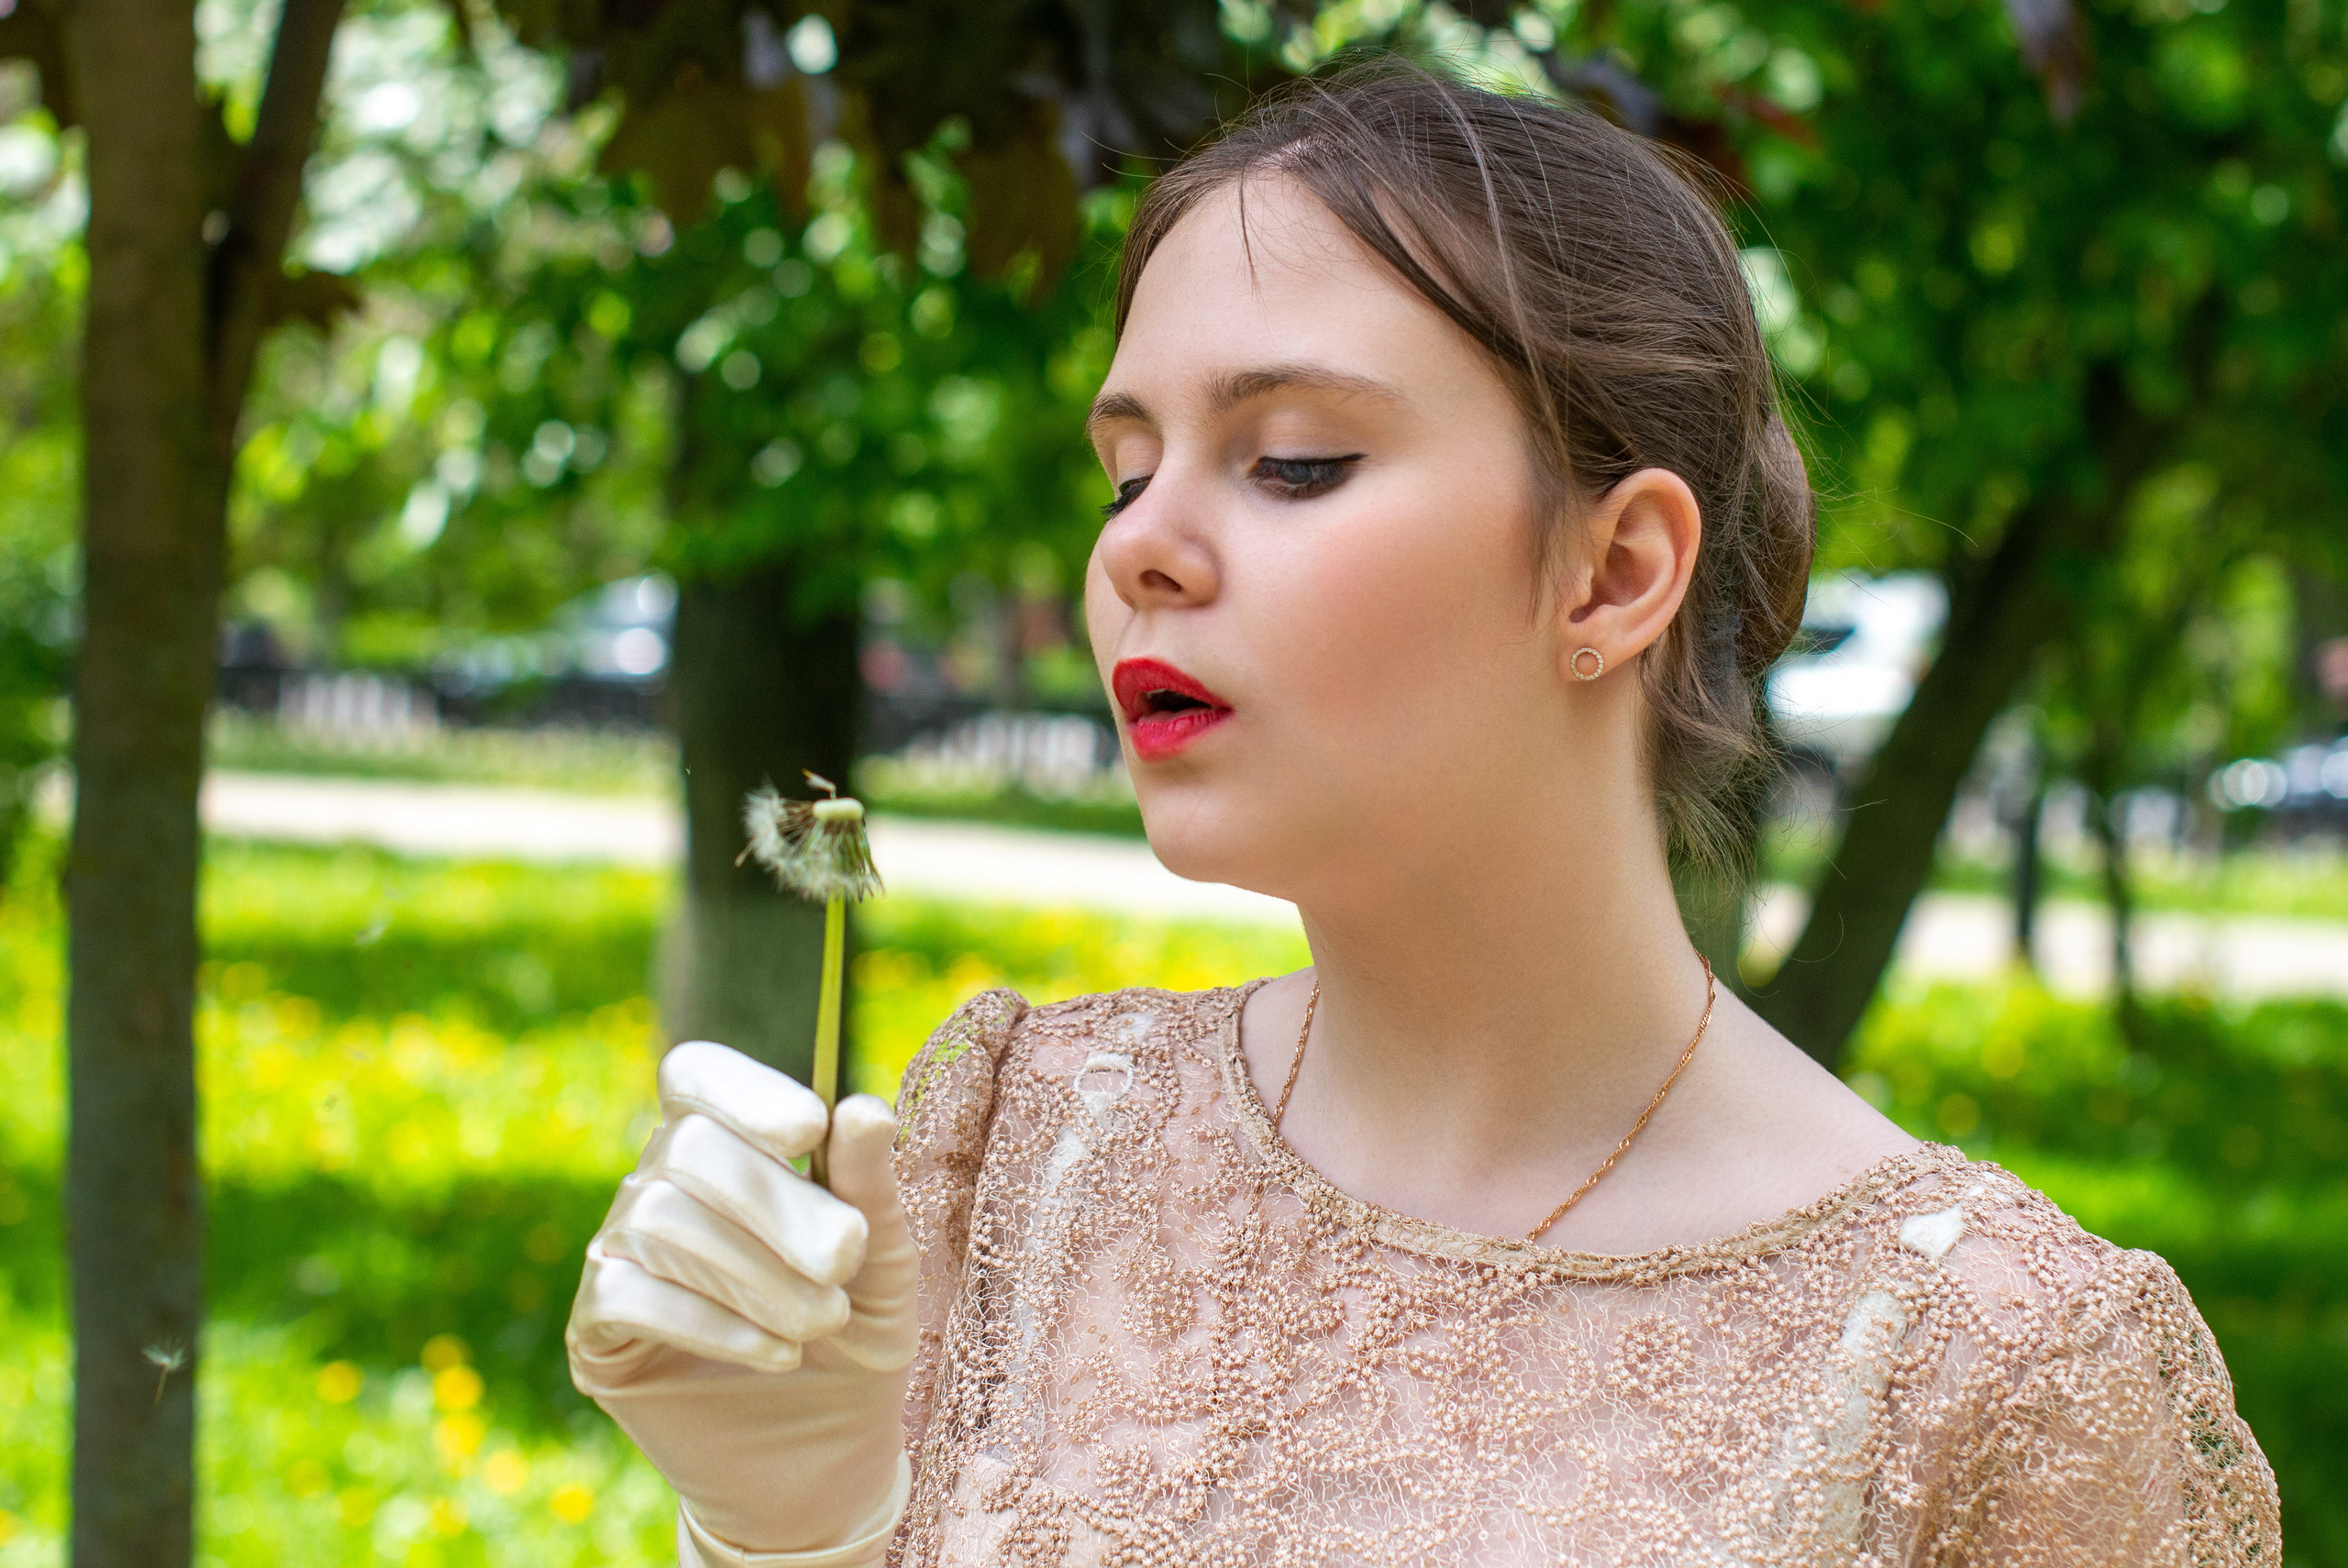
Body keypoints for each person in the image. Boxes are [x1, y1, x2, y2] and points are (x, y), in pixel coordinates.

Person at [565, 64, 2279, 1567]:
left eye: (1294, 459)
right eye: (1126, 465)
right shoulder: (1023, 1143)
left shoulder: (1997, 1372)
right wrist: (790, 1532)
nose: (1136, 546)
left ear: (1617, 571)